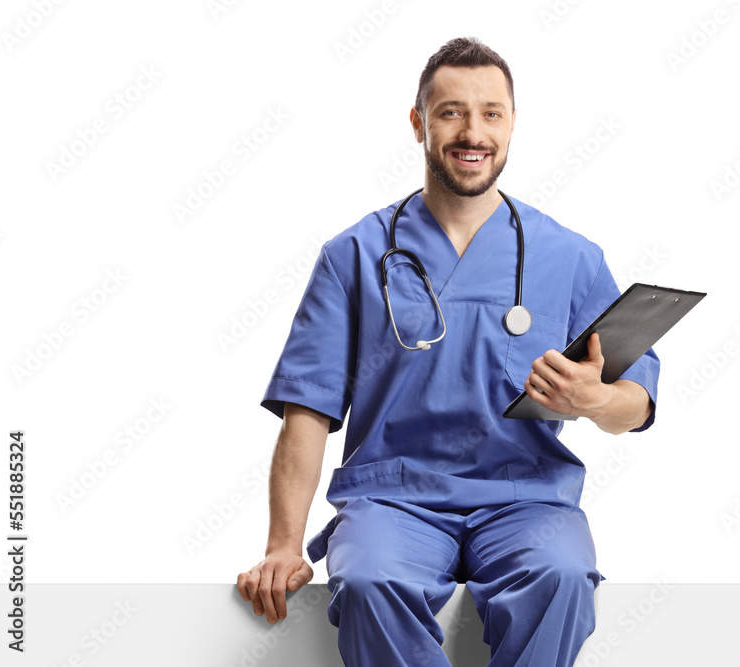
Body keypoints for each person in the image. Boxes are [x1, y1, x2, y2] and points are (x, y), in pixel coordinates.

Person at [237, 37, 660, 667]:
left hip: (528, 497)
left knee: (562, 579)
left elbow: (636, 403)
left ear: (512, 123)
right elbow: (307, 410)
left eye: (492, 112)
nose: (473, 131)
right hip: (393, 499)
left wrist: (596, 400)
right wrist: (282, 544)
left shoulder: (570, 257)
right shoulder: (354, 255)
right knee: (371, 583)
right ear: (418, 123)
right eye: (451, 111)